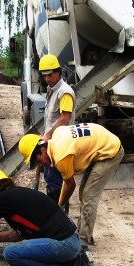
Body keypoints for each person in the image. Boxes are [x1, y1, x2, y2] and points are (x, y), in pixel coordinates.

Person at [19, 123, 125, 250]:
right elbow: (66, 180)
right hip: (99, 145)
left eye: (39, 161)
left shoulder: (61, 156)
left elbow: (70, 185)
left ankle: (83, 242)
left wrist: (60, 206)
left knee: (89, 196)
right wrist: (60, 205)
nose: (40, 165)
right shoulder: (56, 138)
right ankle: (83, 233)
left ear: (42, 150)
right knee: (84, 193)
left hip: (110, 152)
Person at [34, 54, 76, 212]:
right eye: (44, 75)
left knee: (57, 182)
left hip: (60, 145)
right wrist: (45, 134)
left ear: (58, 72)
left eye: (50, 74)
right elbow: (52, 119)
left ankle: (59, 215)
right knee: (50, 179)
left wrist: (47, 135)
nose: (47, 78)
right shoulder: (52, 90)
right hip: (51, 143)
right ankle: (53, 214)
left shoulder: (64, 92)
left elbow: (65, 118)